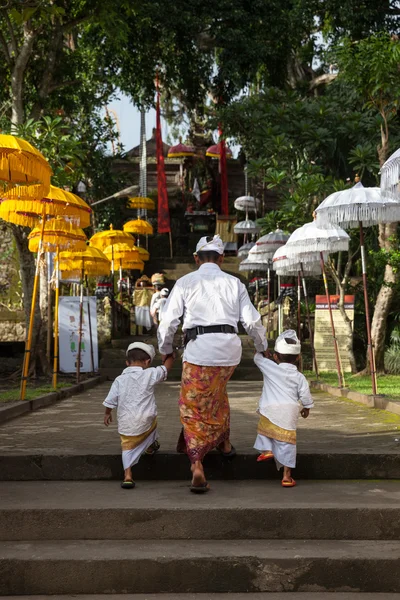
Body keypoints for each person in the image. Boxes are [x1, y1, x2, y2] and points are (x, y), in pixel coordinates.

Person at [158, 234, 267, 493]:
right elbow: (252, 322)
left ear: (196, 259)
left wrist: (165, 351)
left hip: (199, 351)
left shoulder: (185, 282)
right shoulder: (235, 283)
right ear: (221, 258)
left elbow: (168, 323)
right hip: (229, 351)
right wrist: (263, 348)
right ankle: (225, 445)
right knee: (216, 394)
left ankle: (196, 465)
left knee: (192, 406)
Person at [103, 341, 174, 489]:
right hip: (146, 419)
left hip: (126, 422)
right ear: (147, 362)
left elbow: (111, 400)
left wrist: (107, 414)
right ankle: (150, 446)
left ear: (127, 362)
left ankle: (128, 475)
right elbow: (166, 368)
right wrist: (170, 354)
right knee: (152, 419)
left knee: (127, 447)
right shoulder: (150, 374)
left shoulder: (119, 380)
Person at [253, 330, 314, 488]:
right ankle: (287, 476)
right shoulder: (299, 377)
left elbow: (257, 358)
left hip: (270, 408)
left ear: (275, 356)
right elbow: (305, 395)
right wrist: (306, 408)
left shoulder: (269, 367)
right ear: (298, 357)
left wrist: (262, 352)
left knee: (265, 430)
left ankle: (267, 449)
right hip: (289, 412)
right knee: (288, 443)